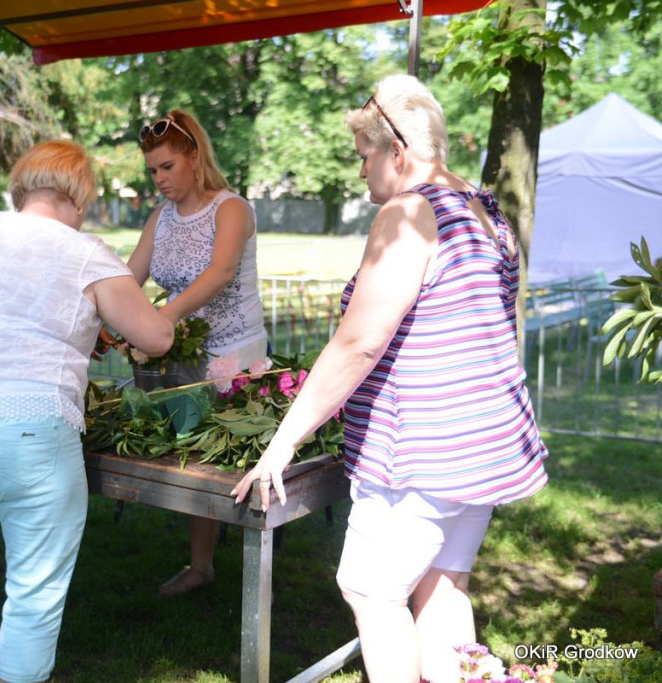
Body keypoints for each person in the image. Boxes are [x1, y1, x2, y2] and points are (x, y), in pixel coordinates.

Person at [232, 75, 549, 683]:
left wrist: (284, 440)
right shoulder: (485, 208)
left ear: (396, 152)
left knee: (372, 593)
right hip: (482, 444)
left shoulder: (409, 211)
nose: (360, 173)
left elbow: (359, 342)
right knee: (443, 588)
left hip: (421, 452)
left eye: (363, 157)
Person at [0, 140, 174, 683]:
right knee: (33, 593)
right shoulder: (84, 249)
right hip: (27, 421)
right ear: (74, 194)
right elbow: (156, 335)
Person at [127, 109, 267, 597]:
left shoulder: (231, 208)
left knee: (217, 457)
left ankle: (250, 559)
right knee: (189, 452)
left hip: (234, 354)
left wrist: (159, 318)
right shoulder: (159, 218)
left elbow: (219, 274)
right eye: (152, 171)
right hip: (180, 355)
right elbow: (131, 278)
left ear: (194, 156)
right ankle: (202, 565)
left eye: (166, 167)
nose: (159, 179)